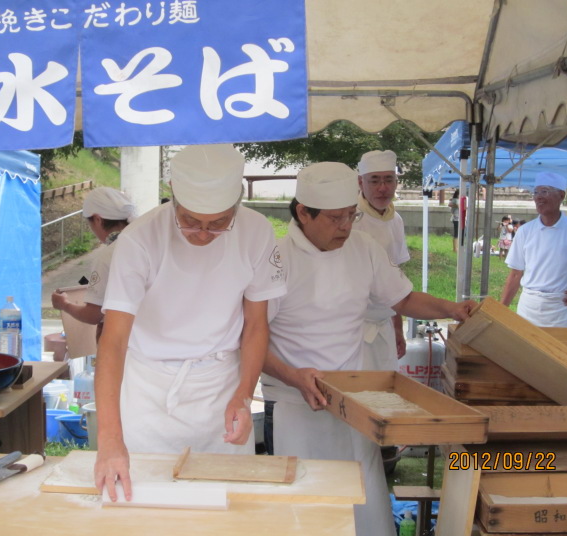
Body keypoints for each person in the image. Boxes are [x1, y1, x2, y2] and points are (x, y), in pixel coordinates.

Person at [262, 162, 476, 536]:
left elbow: (402, 297)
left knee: (362, 497)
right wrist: (293, 376)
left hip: (352, 399)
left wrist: (452, 309)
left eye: (351, 215)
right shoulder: (276, 259)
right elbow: (251, 338)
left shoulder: (363, 247)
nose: (346, 226)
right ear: (303, 213)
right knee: (306, 508)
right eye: (335, 218)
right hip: (295, 403)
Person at [94, 144, 286, 502]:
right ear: (173, 196)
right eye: (191, 221)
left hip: (221, 385)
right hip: (149, 390)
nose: (202, 233)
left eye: (219, 223)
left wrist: (244, 395)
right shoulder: (140, 239)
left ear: (237, 204)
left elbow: (256, 325)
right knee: (146, 506)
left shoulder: (256, 232)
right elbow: (114, 340)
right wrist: (109, 439)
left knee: (227, 504)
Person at [501, 172, 567, 327]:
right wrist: (501, 311)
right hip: (528, 308)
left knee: (561, 344)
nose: (538, 197)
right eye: (536, 192)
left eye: (545, 191)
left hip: (562, 310)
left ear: (561, 195)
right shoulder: (525, 231)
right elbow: (515, 274)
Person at [51, 187, 135, 340]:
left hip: (126, 342)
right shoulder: (145, 244)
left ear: (97, 219)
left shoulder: (109, 255)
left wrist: (64, 305)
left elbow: (93, 314)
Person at [353, 149, 410, 368]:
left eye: (388, 180)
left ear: (396, 182)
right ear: (361, 182)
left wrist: (398, 328)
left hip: (384, 324)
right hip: (353, 327)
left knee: (385, 383)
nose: (382, 188)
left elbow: (396, 279)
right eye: (374, 180)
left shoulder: (396, 220)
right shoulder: (350, 220)